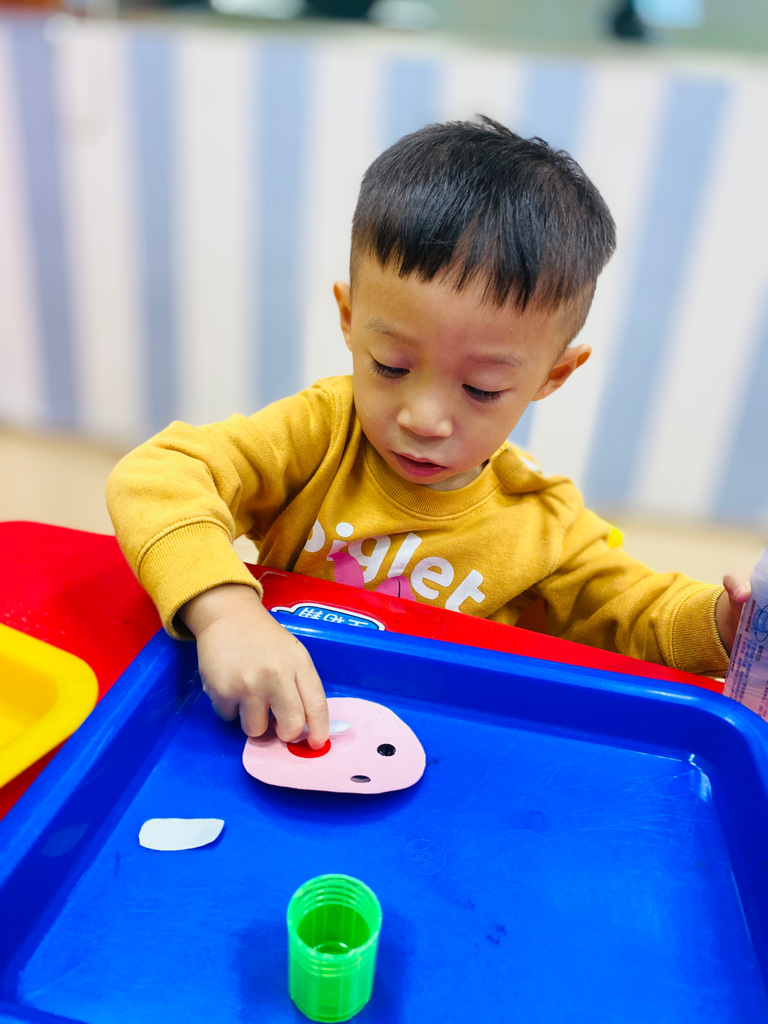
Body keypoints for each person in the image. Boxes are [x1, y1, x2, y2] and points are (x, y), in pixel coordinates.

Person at [106, 117, 748, 751]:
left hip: (445, 752)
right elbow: (158, 475)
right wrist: (225, 610)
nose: (424, 419)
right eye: (391, 366)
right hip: (273, 723)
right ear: (350, 319)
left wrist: (727, 622)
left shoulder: (541, 520)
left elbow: (640, 614)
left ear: (552, 375)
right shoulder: (321, 433)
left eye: (481, 389)